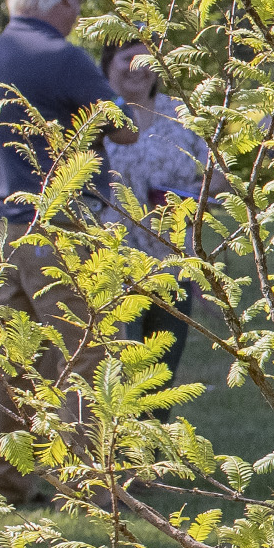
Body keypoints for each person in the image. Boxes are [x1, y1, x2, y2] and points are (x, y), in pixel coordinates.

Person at [0, 0, 116, 503]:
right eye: (77, 0)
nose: (78, 13)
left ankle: (3, 480)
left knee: (15, 357)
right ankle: (83, 483)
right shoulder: (65, 56)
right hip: (60, 224)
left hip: (0, 224)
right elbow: (121, 129)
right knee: (84, 349)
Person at [101, 38, 210, 377]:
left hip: (172, 263)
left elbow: (219, 171)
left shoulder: (180, 113)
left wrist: (191, 193)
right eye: (128, 57)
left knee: (159, 377)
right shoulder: (93, 113)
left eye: (147, 59)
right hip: (111, 262)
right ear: (107, 62)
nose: (138, 66)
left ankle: (157, 431)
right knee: (118, 372)